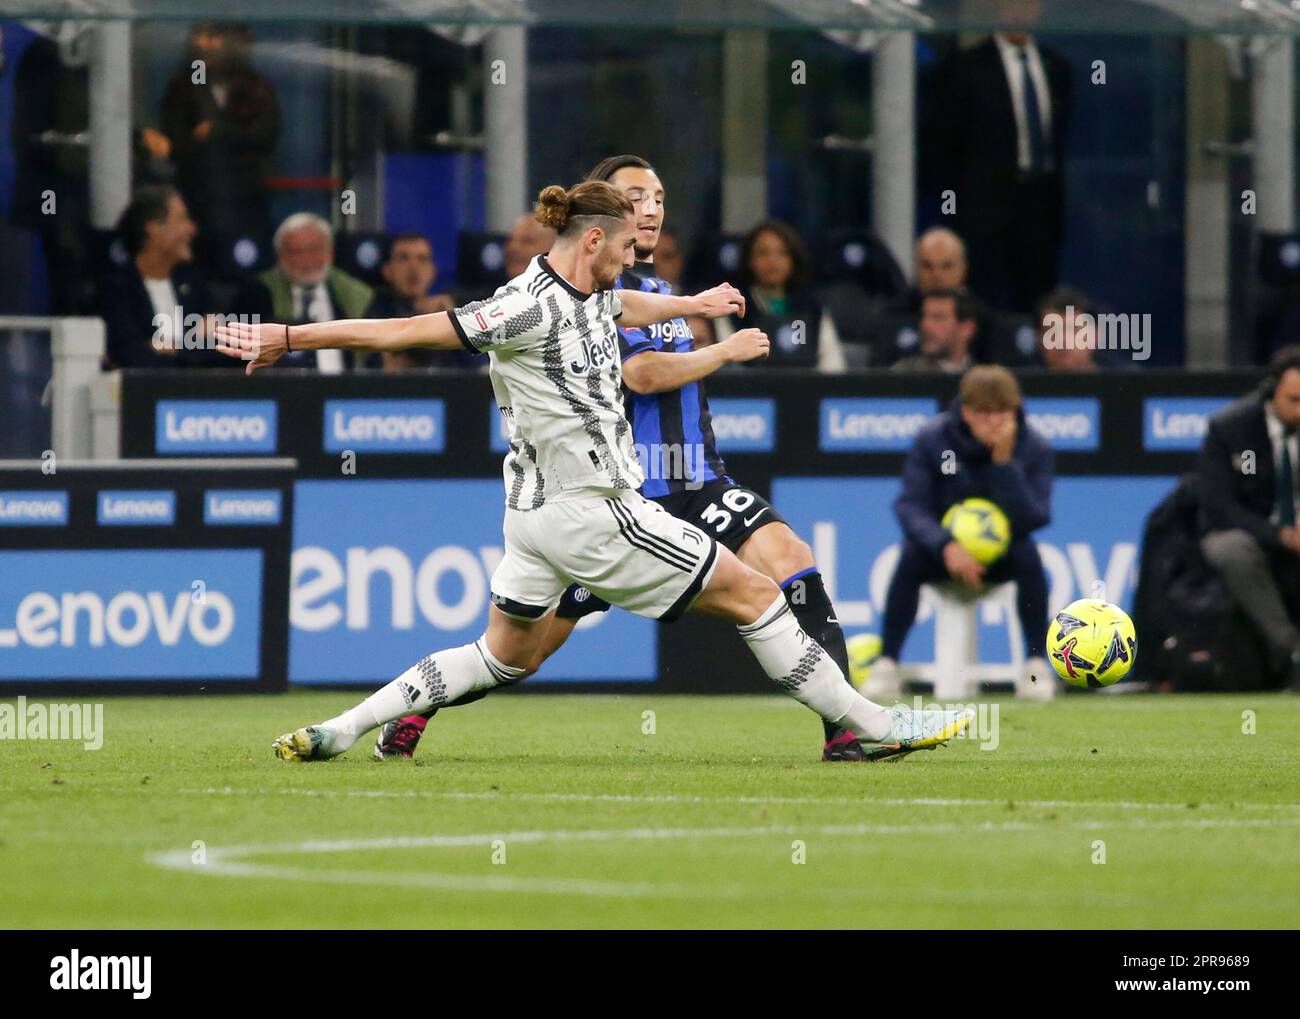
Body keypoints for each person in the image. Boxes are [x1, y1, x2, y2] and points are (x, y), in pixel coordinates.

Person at [215, 180, 972, 763]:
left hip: (531, 522)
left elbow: (629, 305)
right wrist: (291, 335)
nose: (631, 259)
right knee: (754, 593)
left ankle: (345, 728)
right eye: (623, 248)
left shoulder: (592, 289)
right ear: (593, 240)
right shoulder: (522, 310)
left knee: (503, 655)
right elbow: (409, 328)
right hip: (594, 509)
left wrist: (700, 301)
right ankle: (870, 725)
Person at [381, 154, 882, 763]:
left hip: (697, 482)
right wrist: (724, 352)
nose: (650, 209)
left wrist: (698, 308)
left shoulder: (663, 290)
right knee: (524, 654)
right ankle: (413, 709)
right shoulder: (596, 289)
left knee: (792, 559)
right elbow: (641, 375)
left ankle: (846, 732)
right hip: (621, 499)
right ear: (603, 217)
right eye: (635, 197)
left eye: (659, 198)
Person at [871, 366, 1055, 701]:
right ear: (967, 411)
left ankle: (1035, 665)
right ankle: (887, 664)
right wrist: (946, 545)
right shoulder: (933, 438)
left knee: (1030, 556)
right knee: (910, 556)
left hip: (1003, 554)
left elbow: (1035, 517)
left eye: (1004, 411)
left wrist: (1003, 465)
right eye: (985, 412)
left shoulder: (1034, 446)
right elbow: (910, 506)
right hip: (943, 553)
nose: (995, 420)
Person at [923, 0, 1072, 312]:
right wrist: (956, 206)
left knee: (1039, 297)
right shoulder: (966, 68)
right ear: (999, 7)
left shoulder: (1057, 68)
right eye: (1012, 3)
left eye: (1028, 4)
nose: (1020, 11)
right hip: (984, 210)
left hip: (1040, 206)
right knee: (983, 298)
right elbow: (944, 146)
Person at [1198, 346, 1300, 692]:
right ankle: (1293, 652)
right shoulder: (1232, 429)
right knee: (1233, 549)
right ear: (1272, 392)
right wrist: (1282, 536)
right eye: (1295, 400)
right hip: (1247, 532)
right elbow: (1220, 509)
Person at [159, 23, 279, 243]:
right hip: (196, 200)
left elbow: (264, 136)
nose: (204, 44)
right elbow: (176, 145)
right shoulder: (184, 88)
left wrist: (218, 131)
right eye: (199, 36)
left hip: (244, 200)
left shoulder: (256, 87)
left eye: (213, 37)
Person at [99, 185, 223, 369]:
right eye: (182, 219)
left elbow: (220, 350)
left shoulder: (194, 285)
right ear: (153, 228)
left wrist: (169, 347)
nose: (192, 229)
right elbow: (131, 356)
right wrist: (192, 345)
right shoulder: (117, 288)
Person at [235, 212, 374, 372]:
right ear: (280, 256)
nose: (306, 260)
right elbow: (240, 354)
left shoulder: (356, 294)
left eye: (314, 250)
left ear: (330, 253)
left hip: (345, 391)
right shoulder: (256, 294)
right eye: (295, 252)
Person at [714, 220, 847, 372]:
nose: (772, 261)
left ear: (793, 260)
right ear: (749, 260)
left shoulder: (812, 306)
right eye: (763, 253)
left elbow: (831, 362)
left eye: (782, 253)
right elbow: (728, 363)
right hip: (751, 392)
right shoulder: (733, 305)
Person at [363, 233, 475, 371]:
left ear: (433, 272)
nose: (413, 267)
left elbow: (479, 369)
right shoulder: (374, 313)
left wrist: (455, 321)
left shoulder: (446, 312)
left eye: (422, 259)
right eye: (404, 258)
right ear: (387, 271)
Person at [892, 289, 977, 373]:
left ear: (966, 329)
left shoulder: (984, 379)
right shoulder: (902, 374)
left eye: (938, 317)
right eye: (924, 317)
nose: (925, 326)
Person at [1034, 285, 1100, 371]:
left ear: (1095, 336)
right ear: (1039, 339)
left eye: (1073, 329)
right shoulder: (1022, 384)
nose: (1063, 340)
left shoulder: (1120, 383)